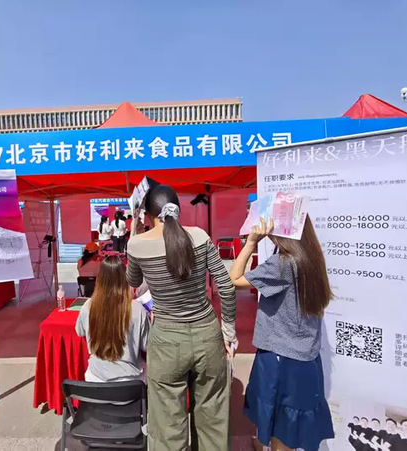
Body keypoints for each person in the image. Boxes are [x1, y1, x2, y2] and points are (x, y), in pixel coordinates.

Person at [126, 185, 237, 450]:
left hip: (166, 340)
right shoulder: (199, 236)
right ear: (178, 209)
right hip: (208, 336)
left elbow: (133, 281)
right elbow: (227, 287)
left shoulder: (137, 244)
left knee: (168, 428)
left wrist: (133, 233)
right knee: (213, 422)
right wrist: (229, 333)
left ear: (148, 215)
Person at [230, 216, 334, 451]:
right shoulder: (312, 258)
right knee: (292, 424)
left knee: (281, 427)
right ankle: (264, 443)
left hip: (280, 359)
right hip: (306, 358)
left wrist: (251, 243)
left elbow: (234, 279)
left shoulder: (283, 264)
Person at [75, 256, 149, 382]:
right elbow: (146, 345)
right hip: (130, 381)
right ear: (125, 279)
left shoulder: (88, 305)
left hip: (96, 379)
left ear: (99, 278)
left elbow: (79, 331)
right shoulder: (137, 309)